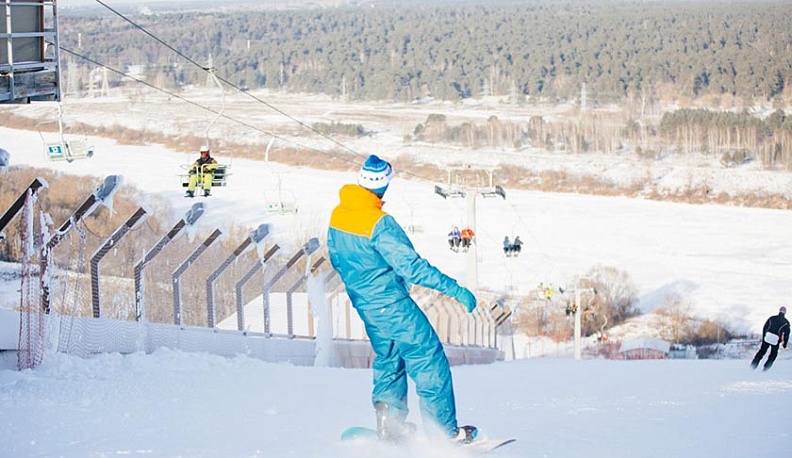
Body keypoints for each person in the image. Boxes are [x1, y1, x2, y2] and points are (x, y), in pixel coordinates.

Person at [327, 154, 479, 444]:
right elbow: (412, 267)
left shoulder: (339, 214)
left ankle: (390, 426)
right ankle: (444, 434)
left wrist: (365, 289)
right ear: (384, 184)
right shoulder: (379, 223)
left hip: (366, 305)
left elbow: (337, 258)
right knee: (428, 359)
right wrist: (455, 289)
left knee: (390, 359)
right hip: (392, 305)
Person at [750, 306, 789, 371]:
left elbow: (765, 327)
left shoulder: (772, 318)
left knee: (761, 352)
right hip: (775, 340)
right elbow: (786, 334)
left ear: (779, 311)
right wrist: (784, 343)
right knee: (773, 355)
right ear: (785, 312)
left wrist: (763, 337)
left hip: (767, 337)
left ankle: (752, 366)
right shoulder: (786, 322)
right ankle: (766, 368)